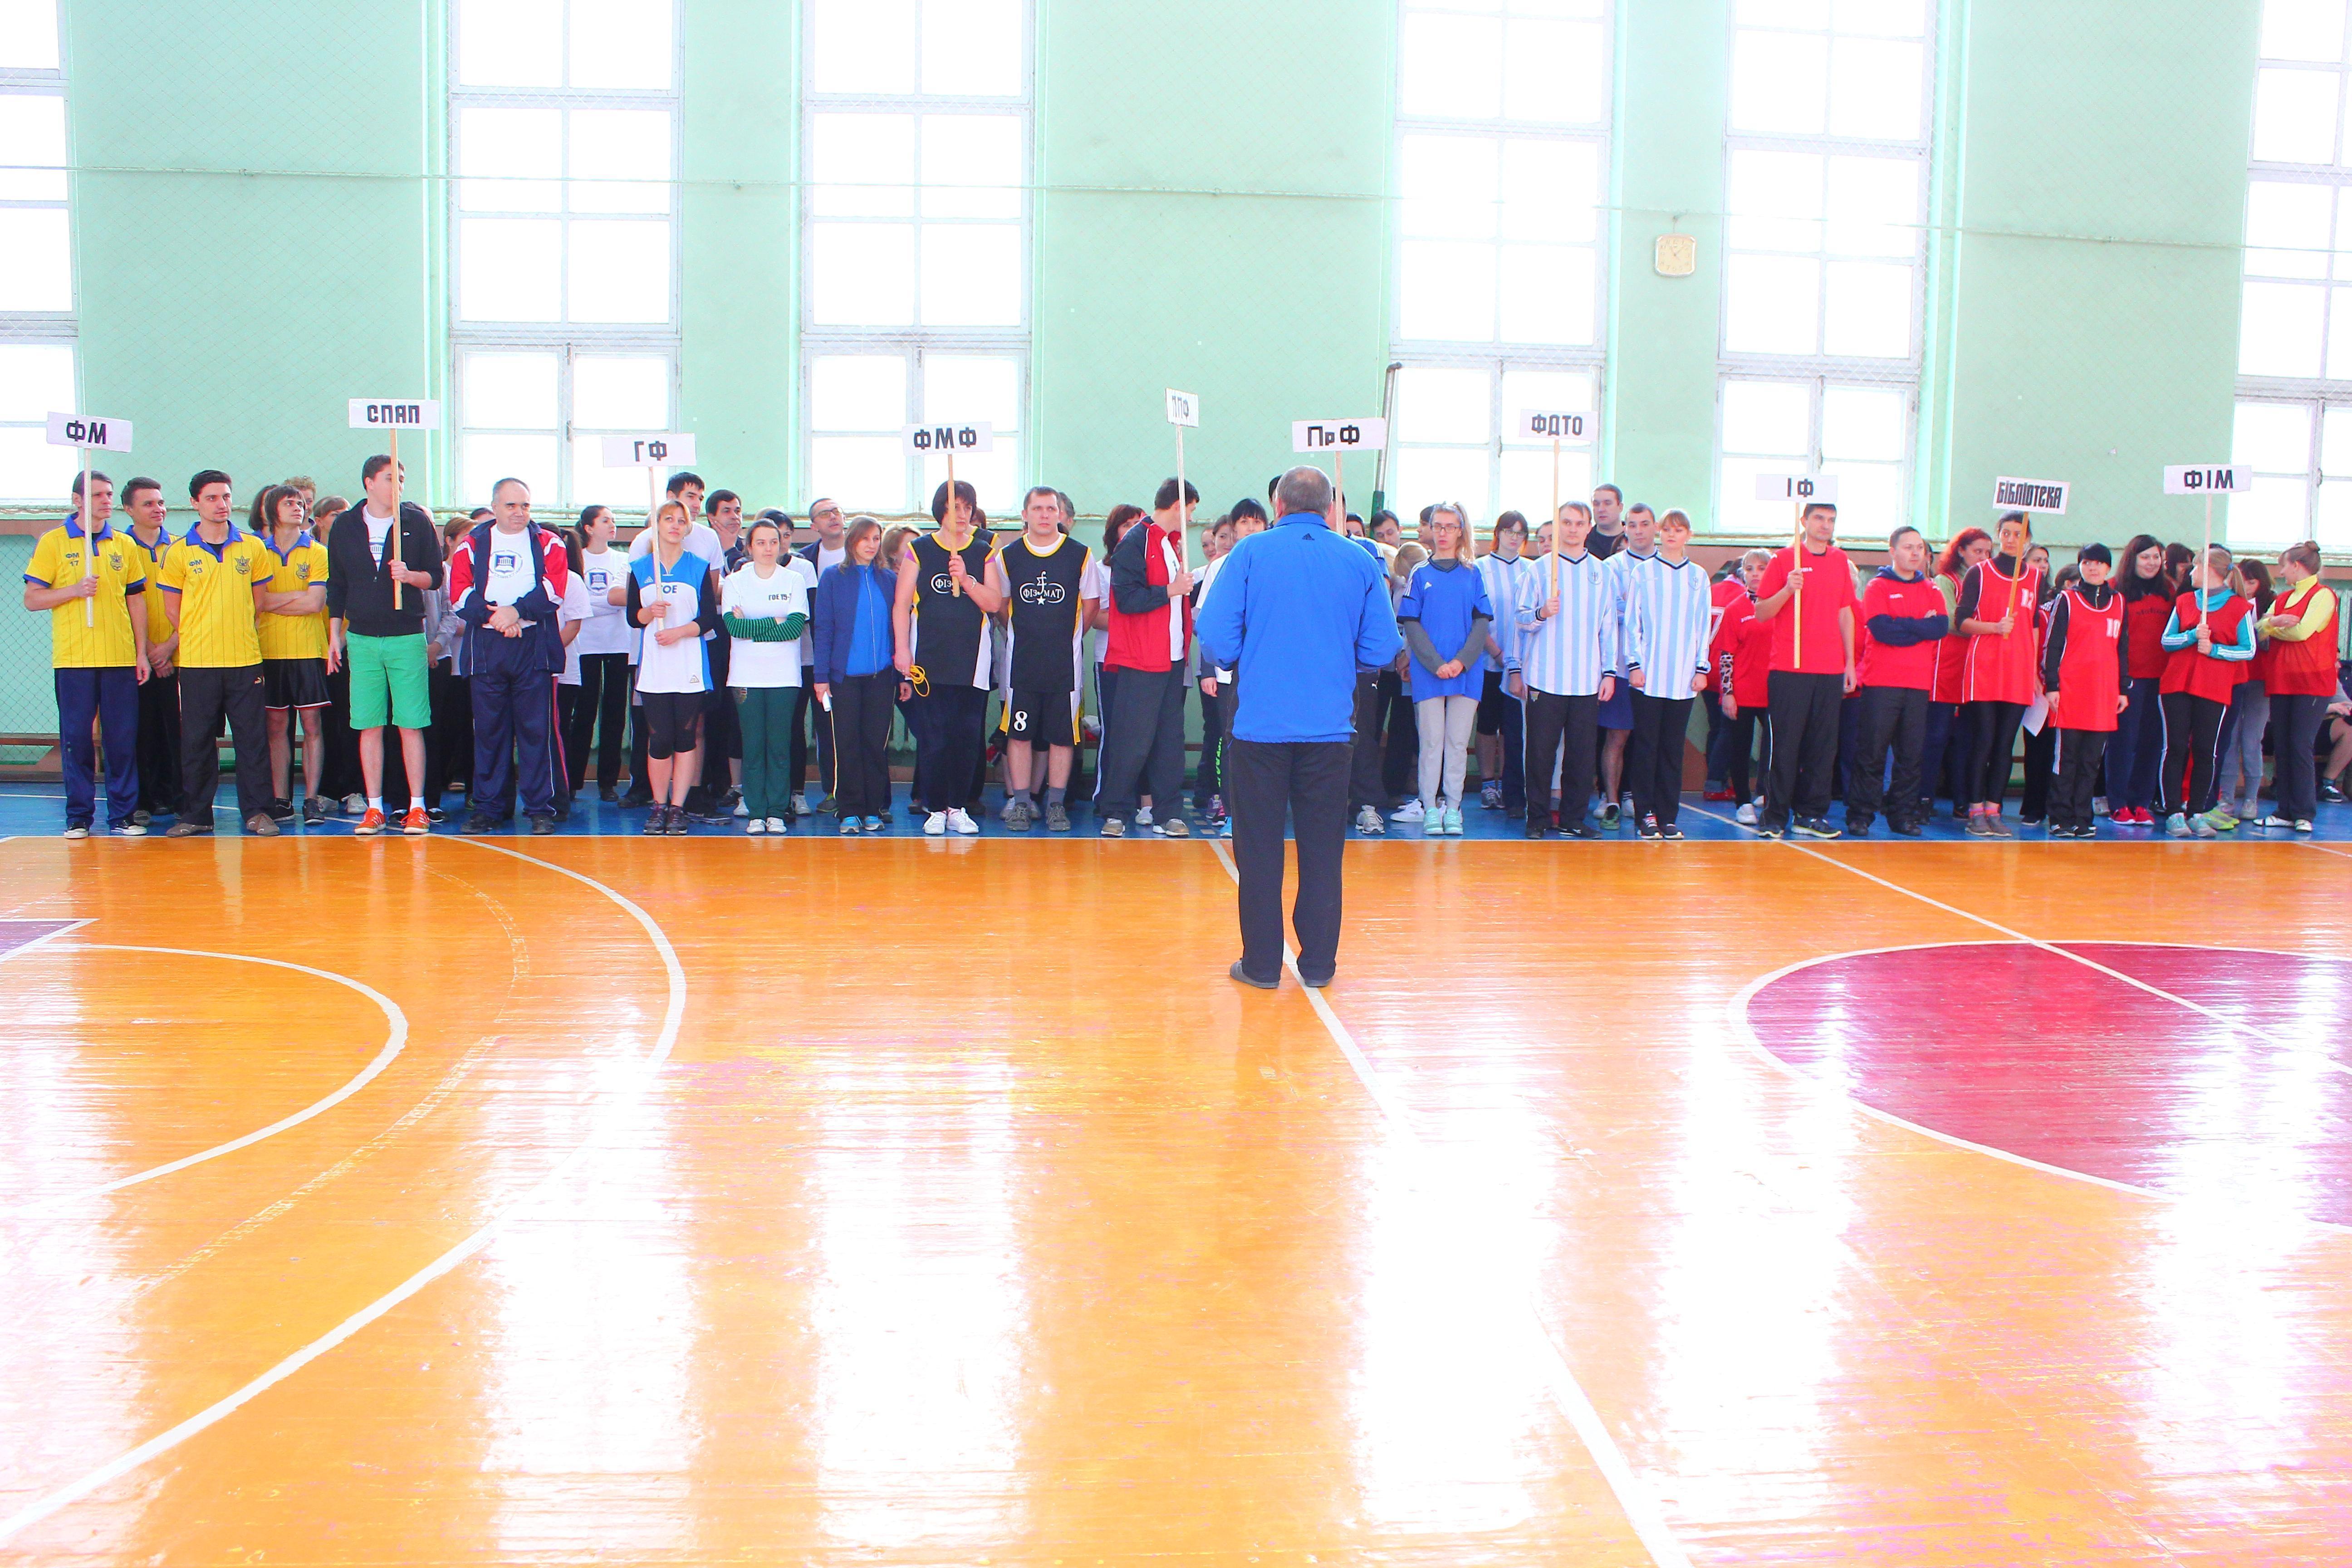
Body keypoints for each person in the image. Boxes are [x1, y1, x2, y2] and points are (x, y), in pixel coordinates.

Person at [1197, 465, 1401, 990]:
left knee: (1259, 850)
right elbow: (1382, 647)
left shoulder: (1249, 554)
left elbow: (1215, 636)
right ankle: (1318, 965)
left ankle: (1263, 965)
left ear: (1279, 506)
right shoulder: (1359, 559)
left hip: (1260, 728)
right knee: (1323, 850)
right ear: (1330, 510)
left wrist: (1248, 653)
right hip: (1330, 730)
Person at [24, 470, 150, 838]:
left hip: (119, 658)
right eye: (97, 495)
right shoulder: (53, 542)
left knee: (121, 741)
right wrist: (74, 591)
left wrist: (141, 652)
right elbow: (33, 599)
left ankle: (123, 815)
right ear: (77, 500)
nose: (106, 501)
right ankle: (79, 816)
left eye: (109, 494)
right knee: (77, 740)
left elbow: (136, 600)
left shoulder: (124, 544)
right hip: (74, 660)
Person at [324, 454, 443, 836]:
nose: (398, 485)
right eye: (390, 478)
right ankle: (374, 807)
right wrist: (334, 635)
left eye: (402, 479)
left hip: (406, 635)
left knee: (411, 723)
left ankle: (417, 806)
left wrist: (410, 576)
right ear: (369, 483)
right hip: (361, 637)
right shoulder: (345, 525)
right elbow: (337, 584)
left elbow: (436, 577)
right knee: (369, 724)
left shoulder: (417, 523)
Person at [158, 470, 279, 838]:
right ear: (195, 503)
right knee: (197, 742)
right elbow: (173, 610)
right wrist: (203, 633)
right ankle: (196, 815)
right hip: (198, 663)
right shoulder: (179, 551)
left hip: (245, 660)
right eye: (212, 498)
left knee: (252, 741)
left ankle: (258, 813)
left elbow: (259, 604)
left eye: (226, 497)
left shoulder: (253, 548)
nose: (221, 504)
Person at [989, 485, 1095, 832]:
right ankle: (1021, 803)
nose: (1045, 515)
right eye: (1038, 509)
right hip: (1022, 664)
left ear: (1060, 514)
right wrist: (1021, 632)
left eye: (1051, 509)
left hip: (1064, 666)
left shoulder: (1080, 555)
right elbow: (1001, 604)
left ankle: (1056, 805)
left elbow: (1091, 604)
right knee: (1019, 735)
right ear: (1025, 515)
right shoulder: (1009, 556)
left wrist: (1070, 637)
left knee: (1062, 737)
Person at [1097, 478, 1197, 839]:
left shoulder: (1172, 544)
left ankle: (1167, 812)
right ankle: (1115, 811)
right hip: (1142, 657)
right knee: (1132, 739)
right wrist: (1171, 590)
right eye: (1191, 509)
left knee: (1169, 739)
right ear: (1178, 506)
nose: (1192, 517)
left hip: (1171, 658)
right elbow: (1126, 600)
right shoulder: (1135, 542)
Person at [1752, 500, 1858, 838]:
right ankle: (1774, 816)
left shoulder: (1840, 561)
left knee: (1823, 748)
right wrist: (1788, 588)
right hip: (1790, 667)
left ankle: (1810, 815)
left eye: (1831, 520)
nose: (1826, 525)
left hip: (1829, 668)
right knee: (1784, 746)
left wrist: (1850, 662)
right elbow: (1762, 613)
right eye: (1819, 518)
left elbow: (1845, 613)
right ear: (1804, 520)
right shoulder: (1784, 560)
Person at [1515, 501, 1615, 840]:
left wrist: (1609, 672)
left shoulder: (1602, 573)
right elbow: (1521, 620)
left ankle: (1573, 818)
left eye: (1579, 523)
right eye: (1566, 523)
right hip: (1545, 678)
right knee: (1540, 754)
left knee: (1581, 757)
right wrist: (1542, 612)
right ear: (1558, 527)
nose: (1572, 529)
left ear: (1589, 527)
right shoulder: (1539, 570)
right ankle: (1537, 818)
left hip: (1586, 680)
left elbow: (1608, 628)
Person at [1842, 526, 1948, 838]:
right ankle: (1861, 815)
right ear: (1892, 551)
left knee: (1911, 756)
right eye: (1908, 547)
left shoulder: (1932, 589)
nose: (1915, 553)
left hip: (1917, 684)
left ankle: (1902, 815)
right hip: (1882, 682)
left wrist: (1904, 625)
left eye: (1920, 548)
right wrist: (1920, 627)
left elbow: (1940, 628)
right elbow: (1882, 631)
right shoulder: (1878, 587)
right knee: (1872, 752)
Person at [1393, 504, 1493, 836]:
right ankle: (1429, 806)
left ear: (1461, 531)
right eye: (1438, 526)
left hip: (1467, 671)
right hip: (1428, 672)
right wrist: (1436, 664)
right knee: (1432, 742)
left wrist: (1460, 662)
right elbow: (1412, 623)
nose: (1443, 533)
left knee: (1457, 742)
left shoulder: (1472, 574)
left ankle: (1454, 807)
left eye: (1450, 527)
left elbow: (1481, 622)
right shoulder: (1420, 574)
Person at [625, 499, 720, 835]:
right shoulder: (640, 567)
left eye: (682, 520)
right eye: (669, 519)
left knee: (685, 738)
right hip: (655, 666)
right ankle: (658, 805)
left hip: (689, 663)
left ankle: (678, 807)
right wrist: (649, 612)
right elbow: (633, 618)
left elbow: (708, 618)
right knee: (660, 739)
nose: (676, 525)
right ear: (657, 525)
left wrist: (679, 632)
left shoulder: (698, 566)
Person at [1621, 509, 1714, 840]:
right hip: (1649, 678)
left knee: (1672, 749)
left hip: (1683, 679)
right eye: (1669, 529)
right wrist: (1635, 665)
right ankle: (1645, 814)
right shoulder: (1644, 573)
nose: (1673, 535)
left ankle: (1668, 816)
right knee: (1646, 747)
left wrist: (1701, 668)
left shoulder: (1698, 577)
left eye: (1680, 529)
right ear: (1660, 532)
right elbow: (1632, 622)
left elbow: (1703, 626)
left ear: (1689, 535)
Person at [2156, 544, 2257, 838]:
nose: (2191, 573)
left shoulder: (2240, 607)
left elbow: (2248, 650)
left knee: (2205, 750)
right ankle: (2173, 811)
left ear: (2209, 569)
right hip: (2177, 684)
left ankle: (2197, 811)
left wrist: (2215, 650)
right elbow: (2167, 640)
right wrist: (2190, 636)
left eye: (2196, 567)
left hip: (2213, 687)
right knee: (2175, 747)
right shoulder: (2185, 601)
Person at [1953, 511, 2043, 837]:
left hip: (2018, 669)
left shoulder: (2035, 577)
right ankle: (1975, 810)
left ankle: (1995, 809)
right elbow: (1961, 621)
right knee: (1985, 740)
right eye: (2006, 533)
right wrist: (1994, 627)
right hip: (1986, 666)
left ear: (2027, 539)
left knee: (2005, 743)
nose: (2011, 539)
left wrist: (2034, 670)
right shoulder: (1980, 572)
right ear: (1998, 535)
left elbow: (2034, 626)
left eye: (2018, 534)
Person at [720, 514, 809, 834]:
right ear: (750, 547)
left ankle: (777, 812)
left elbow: (795, 628)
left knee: (779, 747)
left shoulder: (794, 580)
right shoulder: (735, 582)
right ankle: (756, 812)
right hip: (746, 677)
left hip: (784, 677)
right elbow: (734, 627)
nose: (769, 548)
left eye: (774, 542)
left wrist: (754, 626)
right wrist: (775, 622)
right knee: (753, 747)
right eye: (761, 543)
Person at [812, 516, 900, 834]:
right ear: (852, 541)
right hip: (843, 679)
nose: (871, 544)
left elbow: (899, 628)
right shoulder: (833, 577)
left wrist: (903, 677)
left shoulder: (889, 579)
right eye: (865, 538)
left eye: (876, 538)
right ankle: (849, 810)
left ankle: (874, 809)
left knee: (875, 745)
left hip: (881, 678)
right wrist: (821, 677)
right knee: (846, 744)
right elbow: (824, 628)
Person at [252, 484, 332, 825]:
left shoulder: (317, 552)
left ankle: (311, 799)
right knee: (276, 726)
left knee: (312, 724)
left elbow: (316, 603)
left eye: (301, 503)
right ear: (272, 510)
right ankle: (281, 798)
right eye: (289, 503)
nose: (298, 508)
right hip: (268, 649)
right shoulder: (257, 551)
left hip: (307, 649)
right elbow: (256, 602)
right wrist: (297, 595)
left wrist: (274, 601)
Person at [2039, 542, 2127, 838]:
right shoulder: (2067, 599)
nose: (2093, 568)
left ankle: (2082, 817)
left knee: (2091, 761)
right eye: (2087, 562)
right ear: (2080, 567)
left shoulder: (2119, 603)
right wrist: (2052, 685)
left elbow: (2123, 647)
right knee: (2066, 759)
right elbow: (2053, 645)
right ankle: (2060, 817)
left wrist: (2122, 689)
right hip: (2071, 691)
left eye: (2099, 563)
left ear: (2108, 568)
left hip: (2104, 693)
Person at [2258, 540, 2339, 832]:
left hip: (2312, 681)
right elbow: (2259, 629)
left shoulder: (2324, 595)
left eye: (2284, 566)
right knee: (2283, 745)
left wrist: (2272, 625)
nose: (2281, 573)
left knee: (2300, 745)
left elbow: (2302, 632)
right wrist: (2275, 623)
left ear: (2296, 566)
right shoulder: (2282, 599)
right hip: (2283, 679)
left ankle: (2304, 812)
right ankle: (2285, 810)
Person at [1197, 499, 1266, 838]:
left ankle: (1262, 812)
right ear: (1234, 528)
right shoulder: (1220, 566)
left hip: (1267, 673)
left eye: (1257, 522)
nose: (1250, 528)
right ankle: (1231, 811)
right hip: (1228, 674)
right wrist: (1208, 669)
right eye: (1244, 522)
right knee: (1231, 742)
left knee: (1265, 744)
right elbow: (1207, 622)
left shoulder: (1275, 561)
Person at [121, 476, 183, 824]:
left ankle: (176, 797)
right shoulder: (121, 548)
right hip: (138, 657)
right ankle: (143, 799)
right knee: (141, 729)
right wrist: (147, 650)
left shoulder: (179, 547)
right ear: (128, 510)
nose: (158, 509)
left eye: (160, 502)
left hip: (179, 653)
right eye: (148, 504)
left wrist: (171, 645)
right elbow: (123, 603)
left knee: (177, 730)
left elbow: (193, 602)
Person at [563, 506, 632, 800]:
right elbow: (579, 602)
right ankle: (574, 781)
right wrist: (607, 603)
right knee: (585, 713)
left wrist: (597, 604)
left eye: (614, 520)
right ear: (589, 528)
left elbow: (626, 599)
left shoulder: (622, 560)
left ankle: (608, 782)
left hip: (618, 644)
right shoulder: (578, 558)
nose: (612, 525)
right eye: (606, 520)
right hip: (586, 645)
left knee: (615, 714)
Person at [1925, 527, 1991, 820]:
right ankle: (1923, 797)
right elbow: (1952, 621)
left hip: (1975, 666)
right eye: (1978, 551)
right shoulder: (1946, 580)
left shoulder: (1990, 582)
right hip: (1946, 664)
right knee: (1936, 736)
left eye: (1988, 552)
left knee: (1968, 738)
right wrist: (1987, 629)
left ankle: (1963, 799)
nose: (1984, 557)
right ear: (1961, 551)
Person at [1472, 510, 1532, 815]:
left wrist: (1515, 660)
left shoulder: (1531, 569)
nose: (1514, 537)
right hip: (1488, 660)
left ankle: (1510, 785)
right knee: (1487, 723)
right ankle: (1487, 784)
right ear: (1498, 533)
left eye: (1520, 533)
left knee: (1513, 728)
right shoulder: (1480, 568)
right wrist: (1497, 653)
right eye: (1509, 531)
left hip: (1522, 665)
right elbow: (1475, 616)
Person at [2213, 559, 2275, 826]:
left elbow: (2271, 642)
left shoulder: (2271, 604)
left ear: (2262, 583)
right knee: (2229, 739)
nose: (2247, 587)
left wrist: (2264, 626)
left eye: (2253, 582)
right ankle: (2227, 797)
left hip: (2260, 681)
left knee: (2252, 740)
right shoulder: (2231, 603)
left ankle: (2251, 798)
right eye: (2244, 581)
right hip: (2234, 678)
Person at [1717, 548, 1774, 823]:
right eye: (1750, 569)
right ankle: (1743, 802)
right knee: (1740, 747)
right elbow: (1726, 655)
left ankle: (1769, 795)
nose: (1756, 574)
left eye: (1762, 568)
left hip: (1775, 692)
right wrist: (1728, 693)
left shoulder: (1783, 605)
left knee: (1777, 748)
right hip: (1743, 691)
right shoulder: (1735, 609)